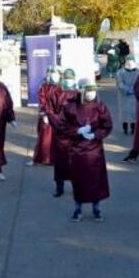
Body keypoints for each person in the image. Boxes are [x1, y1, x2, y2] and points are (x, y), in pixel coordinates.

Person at [57, 79, 112, 221]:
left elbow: (107, 125)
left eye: (93, 91)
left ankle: (96, 208)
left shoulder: (100, 106)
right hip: (77, 150)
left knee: (95, 180)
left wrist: (95, 134)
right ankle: (77, 209)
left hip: (94, 150)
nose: (91, 94)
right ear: (82, 91)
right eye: (88, 91)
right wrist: (77, 130)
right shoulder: (70, 107)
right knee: (79, 180)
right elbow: (62, 126)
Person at [49, 68, 80, 196]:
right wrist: (59, 125)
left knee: (76, 161)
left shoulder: (79, 94)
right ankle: (59, 187)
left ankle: (77, 186)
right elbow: (50, 111)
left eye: (71, 78)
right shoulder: (56, 92)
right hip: (60, 133)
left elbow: (84, 112)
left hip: (75, 133)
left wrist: (79, 127)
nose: (69, 81)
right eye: (67, 78)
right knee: (60, 161)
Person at [29, 66, 61, 166]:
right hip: (47, 115)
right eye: (53, 73)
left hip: (59, 116)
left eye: (57, 74)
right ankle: (40, 159)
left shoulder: (62, 86)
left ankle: (57, 160)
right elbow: (42, 101)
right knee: (44, 137)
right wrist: (45, 114)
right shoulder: (45, 86)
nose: (55, 76)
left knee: (59, 139)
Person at [115, 57, 139, 135]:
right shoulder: (120, 72)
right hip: (124, 96)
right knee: (125, 114)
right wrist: (127, 89)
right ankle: (125, 128)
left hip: (134, 96)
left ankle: (133, 129)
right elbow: (119, 83)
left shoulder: (138, 72)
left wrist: (134, 89)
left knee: (134, 113)